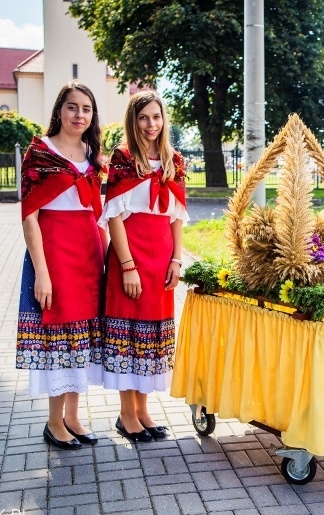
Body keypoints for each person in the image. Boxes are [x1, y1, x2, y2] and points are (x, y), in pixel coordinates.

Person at [16, 82, 107, 450]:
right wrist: (41, 271)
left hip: (87, 254)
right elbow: (29, 218)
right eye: (72, 107)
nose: (79, 115)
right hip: (54, 253)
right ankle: (54, 423)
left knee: (80, 337)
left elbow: (96, 212)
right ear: (59, 111)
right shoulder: (40, 152)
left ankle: (73, 417)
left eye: (86, 109)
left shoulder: (91, 152)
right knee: (60, 339)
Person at [99, 91, 188, 442]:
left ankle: (144, 410)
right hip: (131, 254)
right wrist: (127, 266)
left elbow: (177, 216)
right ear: (133, 122)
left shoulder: (174, 161)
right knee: (129, 335)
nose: (151, 124)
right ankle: (126, 414)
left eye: (156, 117)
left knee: (151, 337)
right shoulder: (122, 159)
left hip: (162, 258)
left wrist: (177, 259)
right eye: (143, 118)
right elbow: (114, 217)